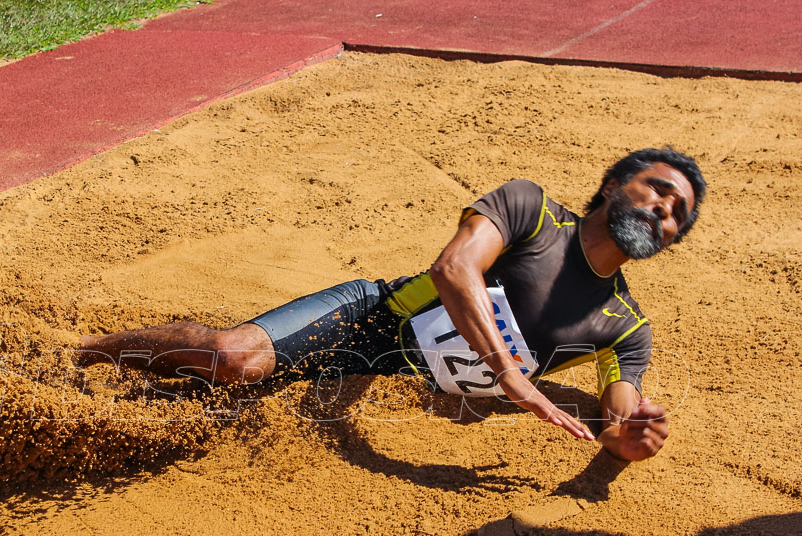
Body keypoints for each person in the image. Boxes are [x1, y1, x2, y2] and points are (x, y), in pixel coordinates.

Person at [78, 148, 706, 463]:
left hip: (406, 388)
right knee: (232, 359)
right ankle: (90, 351)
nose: (664, 210)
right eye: (658, 189)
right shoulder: (532, 209)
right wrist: (514, 380)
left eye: (678, 214)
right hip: (369, 321)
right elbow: (454, 268)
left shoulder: (627, 328)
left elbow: (618, 412)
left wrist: (631, 434)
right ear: (613, 185)